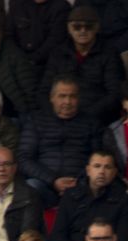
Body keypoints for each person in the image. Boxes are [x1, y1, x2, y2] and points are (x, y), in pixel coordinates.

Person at [18, 78, 99, 207]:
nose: (67, 101)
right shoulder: (36, 120)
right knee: (31, 186)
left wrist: (78, 182)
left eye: (72, 96)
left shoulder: (91, 123)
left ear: (79, 98)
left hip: (81, 186)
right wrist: (53, 180)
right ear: (52, 98)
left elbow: (98, 159)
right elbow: (24, 159)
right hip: (45, 185)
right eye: (62, 96)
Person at [48, 152, 128, 241]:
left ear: (114, 172)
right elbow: (58, 235)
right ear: (88, 170)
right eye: (97, 166)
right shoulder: (70, 195)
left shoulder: (124, 200)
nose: (101, 171)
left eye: (107, 167)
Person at [40, 5, 125, 124]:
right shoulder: (58, 53)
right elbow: (45, 91)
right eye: (77, 27)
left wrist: (87, 116)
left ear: (97, 28)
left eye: (88, 26)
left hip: (97, 119)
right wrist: (56, 114)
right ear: (69, 28)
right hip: (60, 117)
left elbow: (114, 94)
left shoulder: (110, 53)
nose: (83, 31)